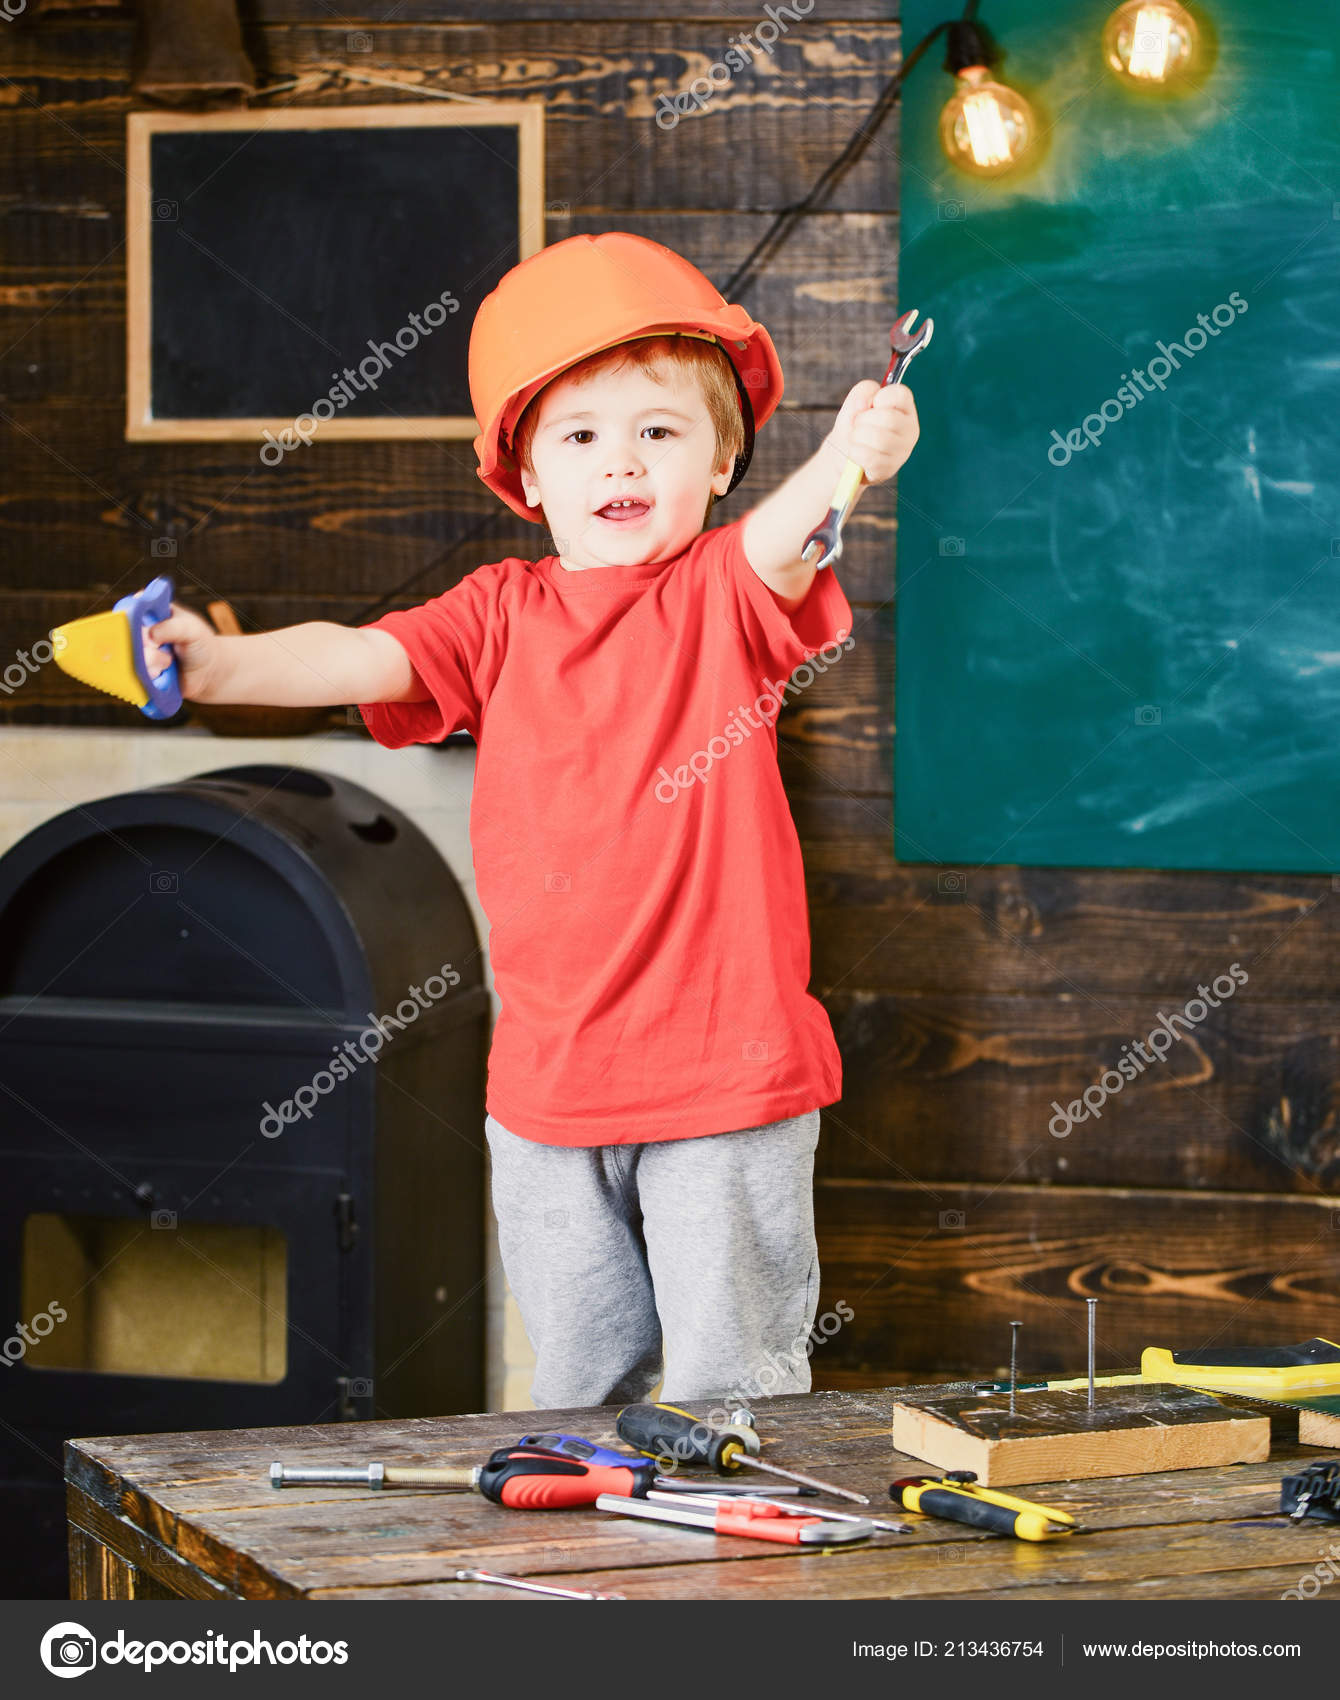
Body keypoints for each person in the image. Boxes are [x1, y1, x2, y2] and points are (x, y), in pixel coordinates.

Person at [147, 232, 920, 1410]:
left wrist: (844, 460)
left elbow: (786, 536)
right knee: (575, 1395)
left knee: (734, 1393)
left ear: (718, 462)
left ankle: (739, 1585)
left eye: (658, 430)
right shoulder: (495, 613)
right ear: (528, 478)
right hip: (548, 1090)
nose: (620, 460)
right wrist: (219, 665)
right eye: (580, 434)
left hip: (723, 1078)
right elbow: (359, 650)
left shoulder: (719, 593)